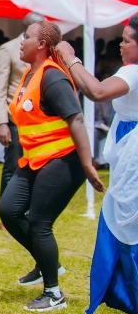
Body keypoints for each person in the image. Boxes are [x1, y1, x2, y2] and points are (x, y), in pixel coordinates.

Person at [0, 20, 104, 312]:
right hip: (35, 160)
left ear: (42, 45)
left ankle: (54, 293)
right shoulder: (30, 75)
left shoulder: (52, 77)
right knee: (9, 209)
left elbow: (77, 119)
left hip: (63, 160)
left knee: (40, 224)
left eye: (26, 37)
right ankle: (48, 263)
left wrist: (87, 164)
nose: (21, 42)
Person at [55, 17, 138, 314]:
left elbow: (97, 92)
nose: (121, 44)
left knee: (128, 227)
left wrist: (69, 57)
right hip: (128, 149)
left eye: (127, 40)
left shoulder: (133, 71)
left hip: (134, 157)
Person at [0, 12, 46, 197]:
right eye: (41, 26)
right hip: (15, 119)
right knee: (13, 166)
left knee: (38, 166)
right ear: (28, 28)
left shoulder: (46, 49)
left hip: (40, 120)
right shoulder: (8, 49)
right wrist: (1, 123)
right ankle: (6, 213)